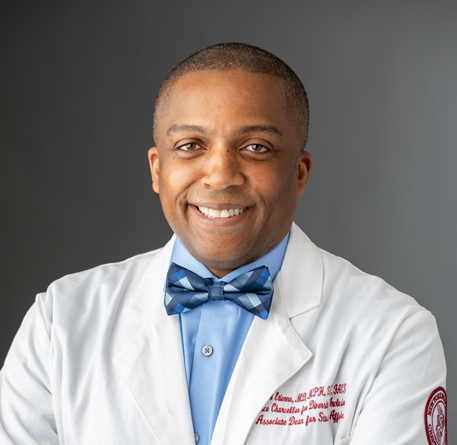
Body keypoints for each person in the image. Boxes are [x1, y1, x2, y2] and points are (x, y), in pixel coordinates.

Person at [0, 43, 446, 445]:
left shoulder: (392, 333)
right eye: (191, 145)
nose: (219, 175)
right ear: (157, 170)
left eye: (255, 147)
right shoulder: (60, 321)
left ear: (300, 172)